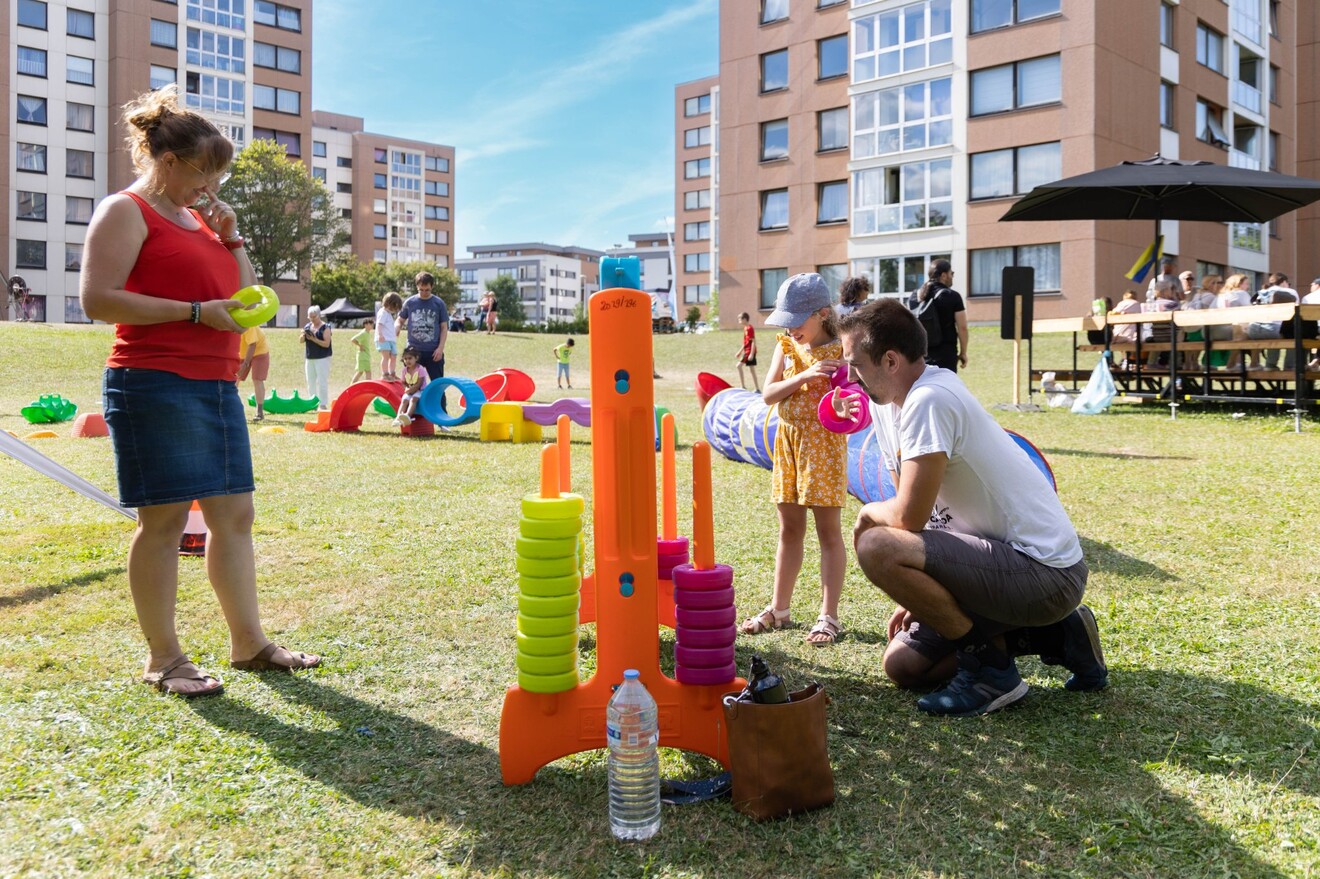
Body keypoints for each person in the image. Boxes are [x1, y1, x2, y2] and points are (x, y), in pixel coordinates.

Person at [77, 85, 319, 698]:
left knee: (234, 517)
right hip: (153, 382)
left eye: (219, 176)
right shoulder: (125, 210)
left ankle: (250, 644)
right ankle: (165, 659)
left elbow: (246, 303)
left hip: (215, 385)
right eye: (203, 174)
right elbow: (98, 300)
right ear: (166, 161)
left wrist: (232, 238)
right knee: (161, 523)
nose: (211, 187)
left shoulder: (203, 221)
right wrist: (192, 312)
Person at [838, 299, 1104, 716]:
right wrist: (917, 593)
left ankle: (992, 672)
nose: (851, 375)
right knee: (903, 667)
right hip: (992, 564)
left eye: (855, 364)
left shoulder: (930, 398)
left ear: (890, 360)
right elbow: (914, 520)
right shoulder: (884, 402)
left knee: (876, 545)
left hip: (1045, 573)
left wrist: (868, 513)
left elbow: (907, 518)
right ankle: (1056, 635)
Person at [739, 273, 849, 646]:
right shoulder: (786, 346)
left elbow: (854, 403)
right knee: (789, 528)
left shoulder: (842, 350)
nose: (790, 328)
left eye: (796, 320)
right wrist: (805, 376)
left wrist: (838, 401)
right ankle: (779, 609)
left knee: (828, 532)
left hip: (824, 445)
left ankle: (828, 616)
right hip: (788, 442)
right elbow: (769, 394)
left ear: (821, 314)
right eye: (785, 320)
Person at [396, 272, 449, 417]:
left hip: (433, 351)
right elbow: (400, 320)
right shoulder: (410, 302)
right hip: (413, 352)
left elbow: (444, 327)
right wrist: (397, 328)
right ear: (417, 287)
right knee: (412, 384)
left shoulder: (438, 303)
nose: (424, 293)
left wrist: (440, 348)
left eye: (427, 290)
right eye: (421, 290)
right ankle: (410, 415)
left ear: (432, 287)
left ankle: (442, 417)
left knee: (438, 385)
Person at [908, 259, 967, 372]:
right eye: (951, 273)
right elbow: (962, 328)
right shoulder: (952, 296)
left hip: (919, 357)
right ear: (944, 275)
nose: (952, 276)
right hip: (945, 356)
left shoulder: (915, 296)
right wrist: (963, 353)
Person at [1215, 273, 1255, 370]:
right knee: (1256, 333)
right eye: (1246, 284)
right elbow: (1253, 312)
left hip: (1213, 330)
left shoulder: (1221, 295)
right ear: (1238, 284)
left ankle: (1238, 362)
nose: (1248, 286)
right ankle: (1253, 363)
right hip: (1230, 330)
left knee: (1240, 329)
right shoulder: (1242, 293)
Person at [236, 323, 270, 422]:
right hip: (242, 353)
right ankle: (228, 407)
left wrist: (245, 364)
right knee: (234, 378)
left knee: (257, 379)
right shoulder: (228, 324)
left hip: (259, 350)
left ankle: (259, 411)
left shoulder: (248, 324)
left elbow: (252, 344)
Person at [302, 305, 332, 410]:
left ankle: (323, 404)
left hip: (322, 358)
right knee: (310, 381)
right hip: (310, 358)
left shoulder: (325, 327)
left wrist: (314, 339)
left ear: (319, 316)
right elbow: (301, 341)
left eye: (314, 317)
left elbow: (326, 344)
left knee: (322, 381)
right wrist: (303, 335)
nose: (312, 319)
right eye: (310, 317)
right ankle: (313, 403)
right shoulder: (307, 326)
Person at [391, 346, 429, 427]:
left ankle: (407, 416)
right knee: (404, 400)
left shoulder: (420, 369)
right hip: (410, 390)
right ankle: (398, 418)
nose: (407, 361)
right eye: (405, 359)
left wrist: (411, 390)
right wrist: (406, 388)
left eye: (410, 358)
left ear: (416, 358)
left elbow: (419, 383)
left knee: (413, 399)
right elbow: (403, 382)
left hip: (420, 390)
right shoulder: (404, 370)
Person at [376, 292, 403, 381]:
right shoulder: (383, 312)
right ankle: (384, 374)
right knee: (386, 356)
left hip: (391, 339)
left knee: (393, 356)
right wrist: (380, 334)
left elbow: (389, 327)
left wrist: (395, 332)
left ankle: (392, 373)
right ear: (390, 304)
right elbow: (379, 324)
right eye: (395, 307)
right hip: (384, 339)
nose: (395, 310)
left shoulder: (388, 314)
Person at [735, 312, 759, 391]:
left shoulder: (749, 328)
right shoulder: (745, 328)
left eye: (740, 319)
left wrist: (751, 354)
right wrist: (739, 352)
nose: (739, 320)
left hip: (749, 352)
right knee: (751, 369)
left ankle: (743, 386)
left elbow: (753, 341)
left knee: (738, 366)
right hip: (746, 351)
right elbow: (745, 342)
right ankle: (757, 388)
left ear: (745, 319)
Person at [1302, 278, 1320, 370]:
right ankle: (1315, 362)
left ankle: (1304, 364)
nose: (1311, 287)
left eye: (1312, 285)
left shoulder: (1307, 297)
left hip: (1309, 330)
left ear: (1317, 285)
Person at [350, 317, 374, 384]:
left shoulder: (367, 333)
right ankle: (351, 386)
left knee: (367, 371)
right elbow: (353, 339)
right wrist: (359, 345)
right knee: (360, 372)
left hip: (366, 355)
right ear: (366, 325)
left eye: (372, 324)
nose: (372, 325)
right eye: (370, 324)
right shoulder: (363, 333)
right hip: (362, 356)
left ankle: (368, 386)